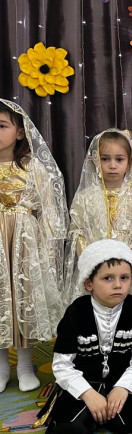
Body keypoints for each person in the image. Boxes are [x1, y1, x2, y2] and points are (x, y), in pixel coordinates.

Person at [38, 239, 132, 434]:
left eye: (124, 277)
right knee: (67, 431)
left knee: (131, 422)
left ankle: (104, 412)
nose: (118, 285)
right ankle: (93, 411)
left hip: (120, 377)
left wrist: (123, 387)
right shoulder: (76, 311)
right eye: (108, 278)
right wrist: (87, 394)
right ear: (89, 283)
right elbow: (62, 365)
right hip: (85, 380)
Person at [0, 99, 68, 393]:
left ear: (19, 132)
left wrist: (50, 250)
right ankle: (2, 366)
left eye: (2, 126)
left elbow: (51, 209)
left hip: (25, 245)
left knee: (24, 299)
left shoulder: (33, 167)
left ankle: (25, 365)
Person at [65, 129, 132, 317]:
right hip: (95, 269)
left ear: (130, 162)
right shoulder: (85, 198)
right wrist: (92, 258)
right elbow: (76, 230)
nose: (112, 165)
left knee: (129, 315)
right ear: (95, 161)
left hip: (129, 269)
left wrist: (129, 255)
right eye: (105, 159)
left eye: (119, 159)